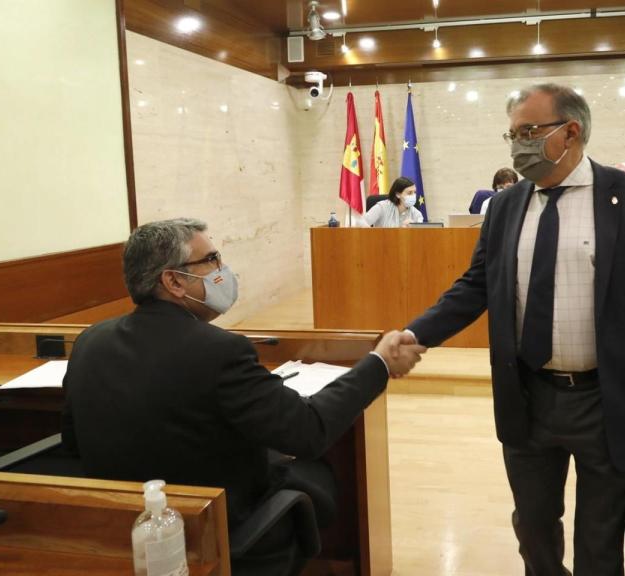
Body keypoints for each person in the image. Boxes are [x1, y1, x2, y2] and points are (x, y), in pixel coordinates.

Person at [399, 84, 625, 575]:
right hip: (528, 396)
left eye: (527, 132)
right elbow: (476, 285)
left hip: (607, 398)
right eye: (511, 134)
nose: (517, 145)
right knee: (532, 528)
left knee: (599, 538)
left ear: (570, 132)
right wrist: (415, 335)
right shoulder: (505, 206)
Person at [62, 218, 425, 570]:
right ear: (173, 281)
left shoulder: (90, 341)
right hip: (217, 534)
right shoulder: (220, 351)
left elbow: (73, 442)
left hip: (121, 531)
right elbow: (309, 430)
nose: (223, 269)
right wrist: (379, 362)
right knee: (315, 468)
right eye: (211, 260)